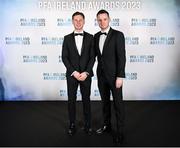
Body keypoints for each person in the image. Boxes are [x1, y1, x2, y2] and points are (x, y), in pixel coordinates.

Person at [94, 9, 126, 144]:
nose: (102, 22)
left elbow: (122, 57)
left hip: (115, 77)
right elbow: (94, 57)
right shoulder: (96, 36)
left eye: (104, 19)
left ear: (109, 19)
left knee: (118, 105)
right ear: (97, 21)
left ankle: (120, 132)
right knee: (105, 104)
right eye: (99, 20)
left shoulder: (118, 35)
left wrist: (120, 76)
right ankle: (107, 126)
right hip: (101, 77)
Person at [62, 11, 95, 136]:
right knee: (71, 100)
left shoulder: (91, 37)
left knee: (86, 100)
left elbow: (93, 57)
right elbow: (64, 57)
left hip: (86, 75)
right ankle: (72, 124)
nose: (78, 22)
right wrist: (74, 72)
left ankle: (88, 124)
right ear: (72, 21)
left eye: (80, 20)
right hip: (72, 75)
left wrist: (86, 72)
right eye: (75, 20)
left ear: (84, 21)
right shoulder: (67, 38)